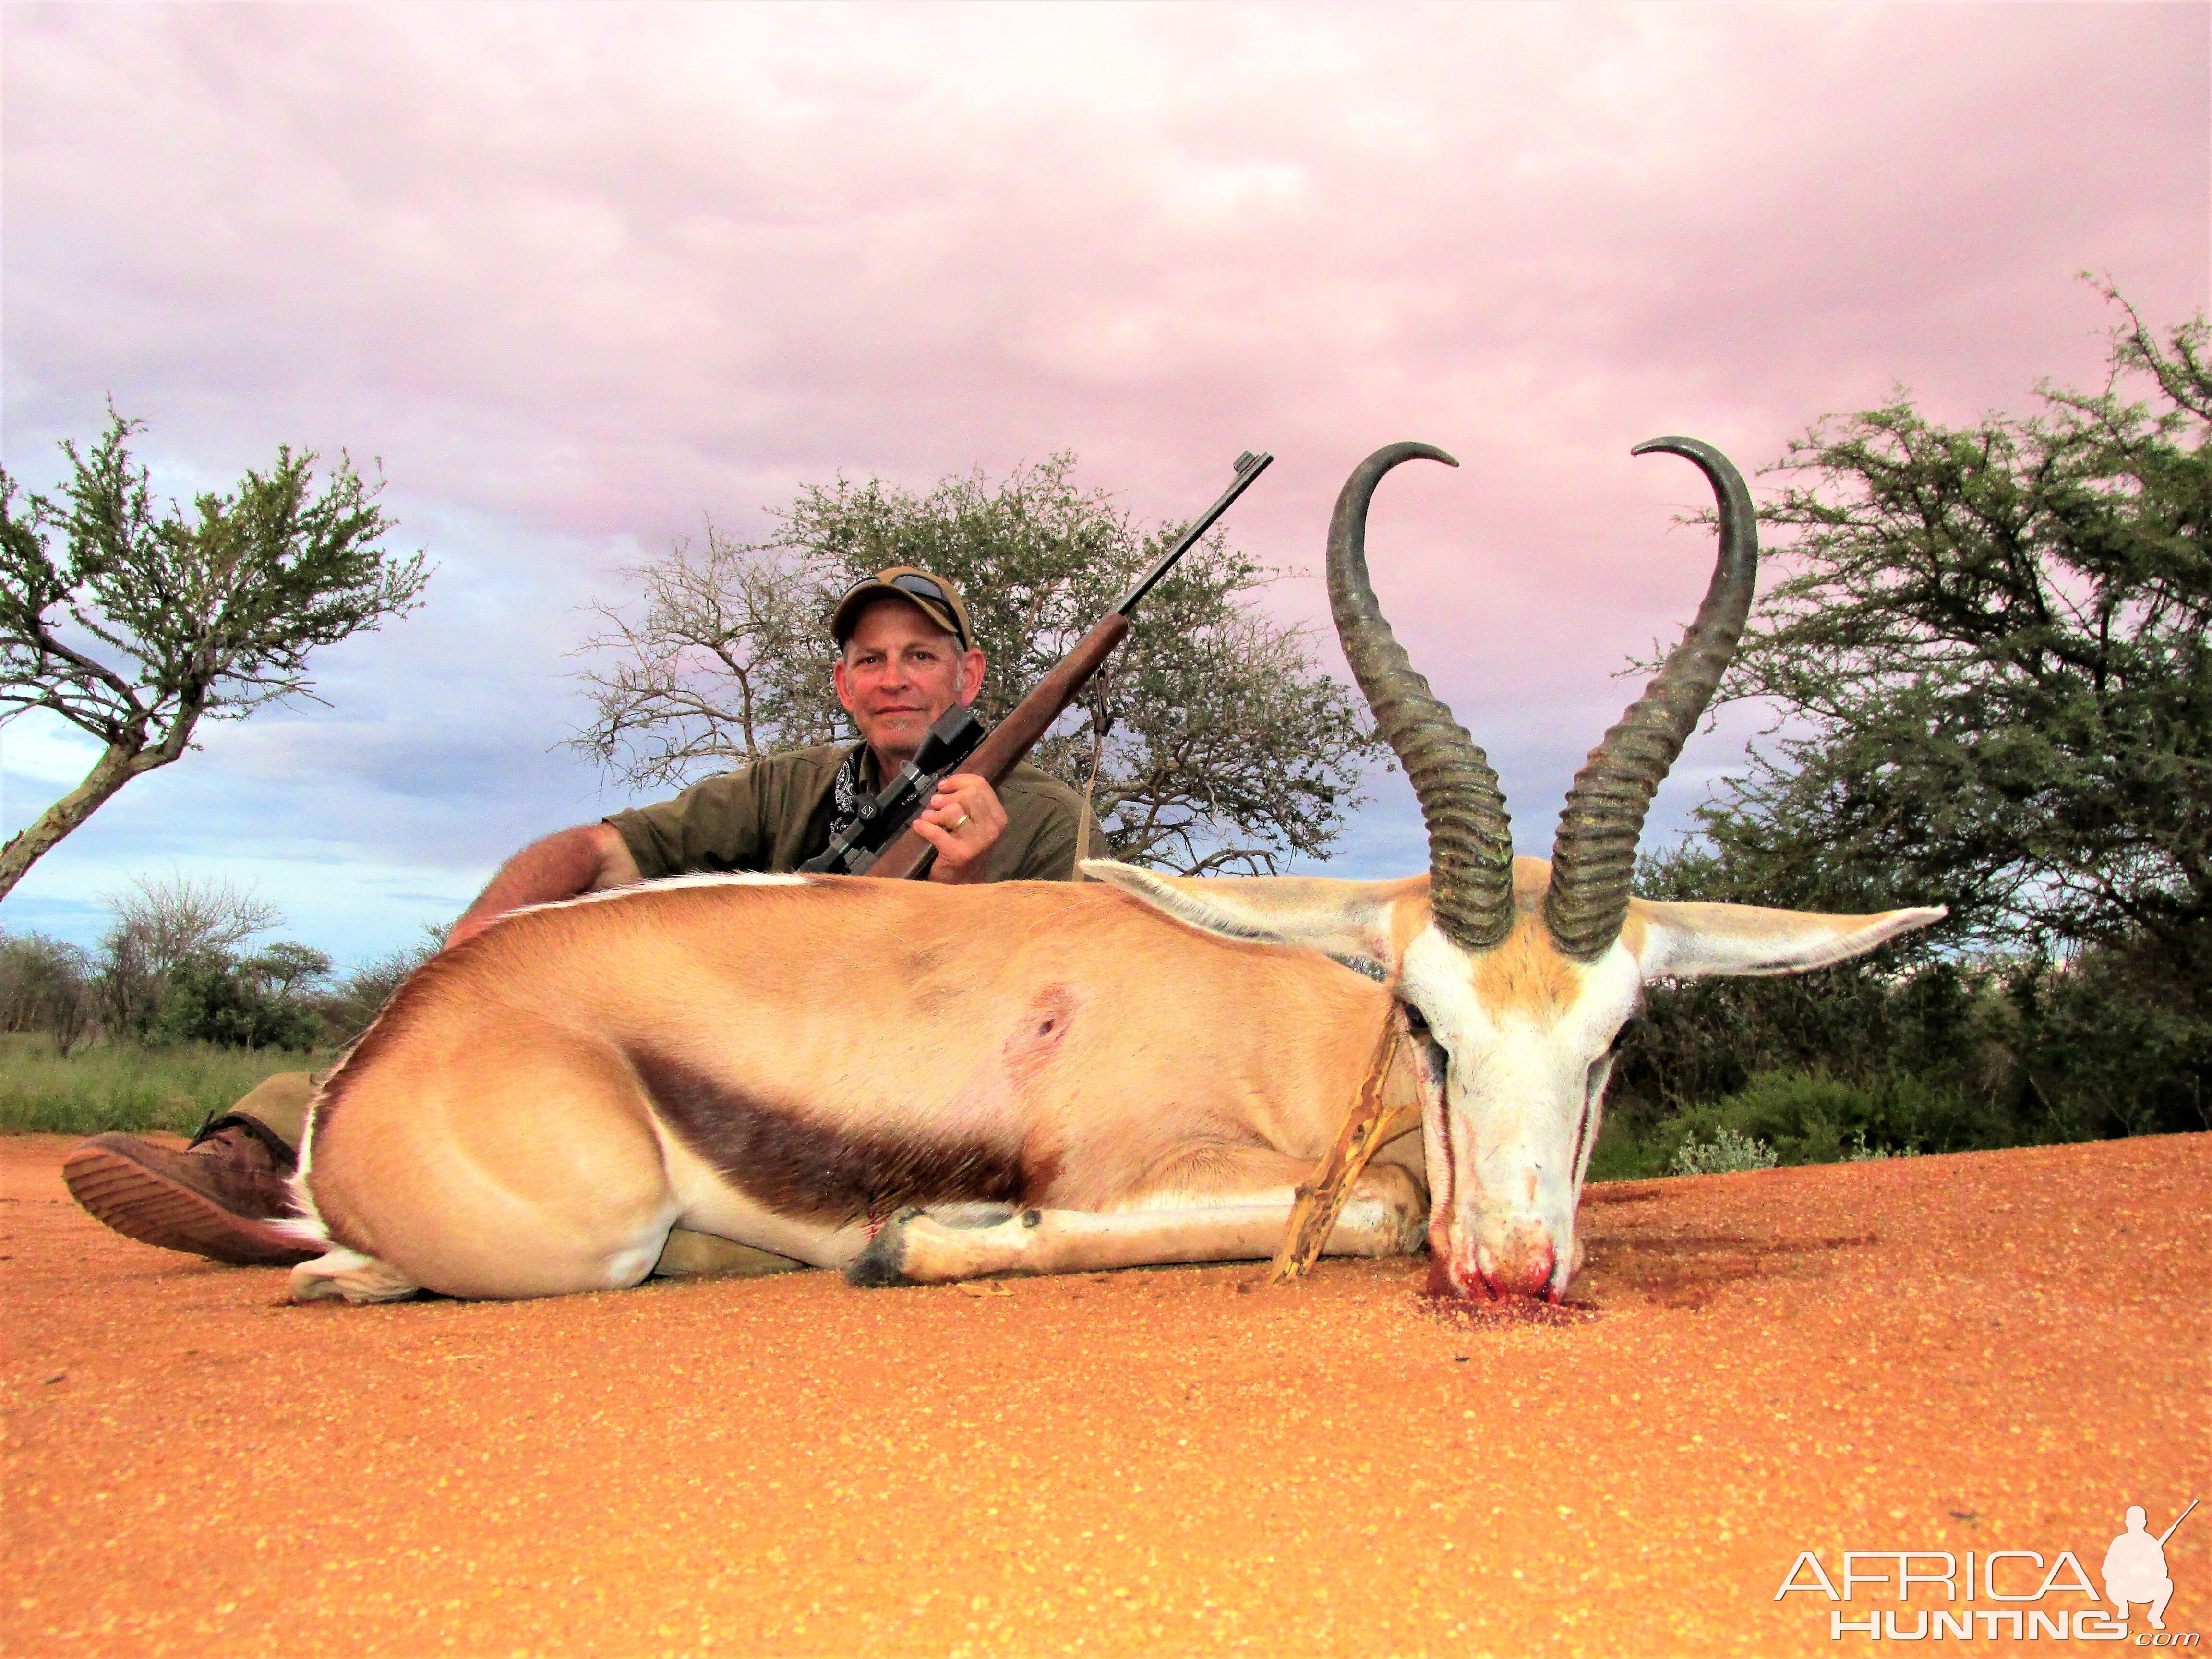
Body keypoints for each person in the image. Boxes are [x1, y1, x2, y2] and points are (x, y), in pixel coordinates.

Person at [62, 566, 1105, 1270]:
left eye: (921, 656)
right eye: (871, 660)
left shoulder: (1043, 818)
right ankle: (262, 1149)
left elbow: (1030, 1042)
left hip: (894, 1099)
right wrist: (479, 942)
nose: (894, 679)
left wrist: (956, 890)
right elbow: (599, 851)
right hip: (736, 1055)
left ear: (969, 677)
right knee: (527, 1014)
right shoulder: (790, 787)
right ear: (842, 683)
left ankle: (365, 1221)